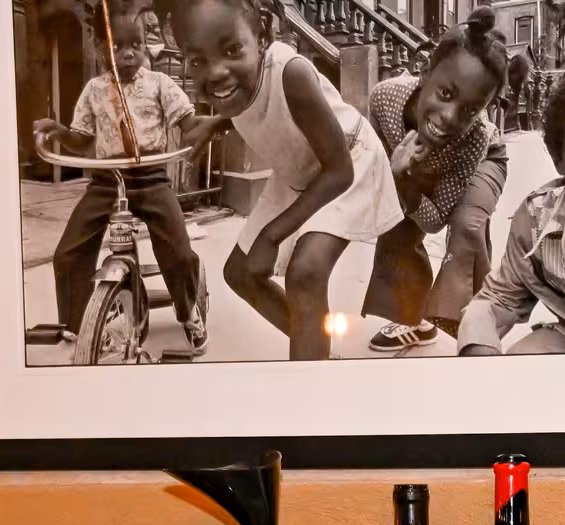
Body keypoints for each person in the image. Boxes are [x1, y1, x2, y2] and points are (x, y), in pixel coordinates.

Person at [173, 0, 402, 361]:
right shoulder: (239, 83)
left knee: (306, 273)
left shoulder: (291, 73)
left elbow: (339, 171)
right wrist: (216, 123)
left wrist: (272, 233)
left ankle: (309, 379)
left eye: (232, 49)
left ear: (263, 35)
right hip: (300, 170)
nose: (215, 72)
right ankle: (314, 348)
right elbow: (256, 100)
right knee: (240, 273)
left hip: (348, 162)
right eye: (197, 60)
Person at [33, 0, 210, 353]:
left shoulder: (160, 84)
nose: (128, 54)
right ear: (101, 49)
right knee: (68, 252)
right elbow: (82, 140)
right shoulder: (94, 90)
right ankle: (80, 323)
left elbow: (188, 123)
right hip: (106, 182)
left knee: (178, 251)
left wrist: (213, 124)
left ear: (147, 47)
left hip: (151, 179)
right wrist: (58, 130)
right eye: (118, 46)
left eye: (136, 45)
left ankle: (188, 310)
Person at [361, 6, 510, 353]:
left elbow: (434, 221)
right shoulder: (384, 99)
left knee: (467, 227)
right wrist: (397, 178)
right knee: (395, 218)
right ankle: (414, 321)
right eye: (445, 94)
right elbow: (377, 181)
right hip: (421, 167)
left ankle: (476, 324)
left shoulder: (473, 139)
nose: (449, 117)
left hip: (487, 158)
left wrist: (405, 182)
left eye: (471, 110)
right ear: (426, 71)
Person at [458, 62, 565, 357]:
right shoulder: (537, 220)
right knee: (521, 360)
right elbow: (499, 297)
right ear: (558, 159)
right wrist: (478, 346)